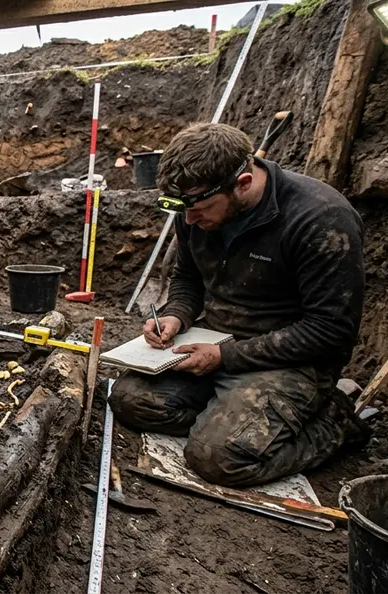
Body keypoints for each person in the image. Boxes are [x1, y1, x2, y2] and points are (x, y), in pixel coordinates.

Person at [110, 123, 369, 487]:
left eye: (199, 209)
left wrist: (225, 357)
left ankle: (334, 422)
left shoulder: (320, 220)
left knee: (218, 459)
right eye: (182, 209)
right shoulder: (196, 209)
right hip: (213, 343)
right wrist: (175, 314)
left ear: (243, 183)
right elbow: (187, 278)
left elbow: (331, 330)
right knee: (127, 400)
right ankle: (231, 417)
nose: (189, 221)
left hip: (291, 362)